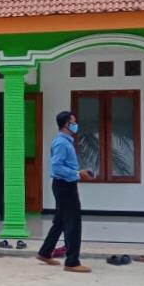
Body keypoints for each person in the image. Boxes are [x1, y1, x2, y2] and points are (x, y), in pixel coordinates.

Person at [36, 111, 93, 273]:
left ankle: (45, 252)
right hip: (65, 186)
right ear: (67, 125)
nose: (76, 125)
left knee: (60, 221)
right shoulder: (62, 143)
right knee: (73, 223)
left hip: (64, 185)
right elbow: (56, 167)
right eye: (74, 122)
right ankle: (72, 261)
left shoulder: (65, 141)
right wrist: (76, 174)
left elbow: (63, 166)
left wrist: (80, 172)